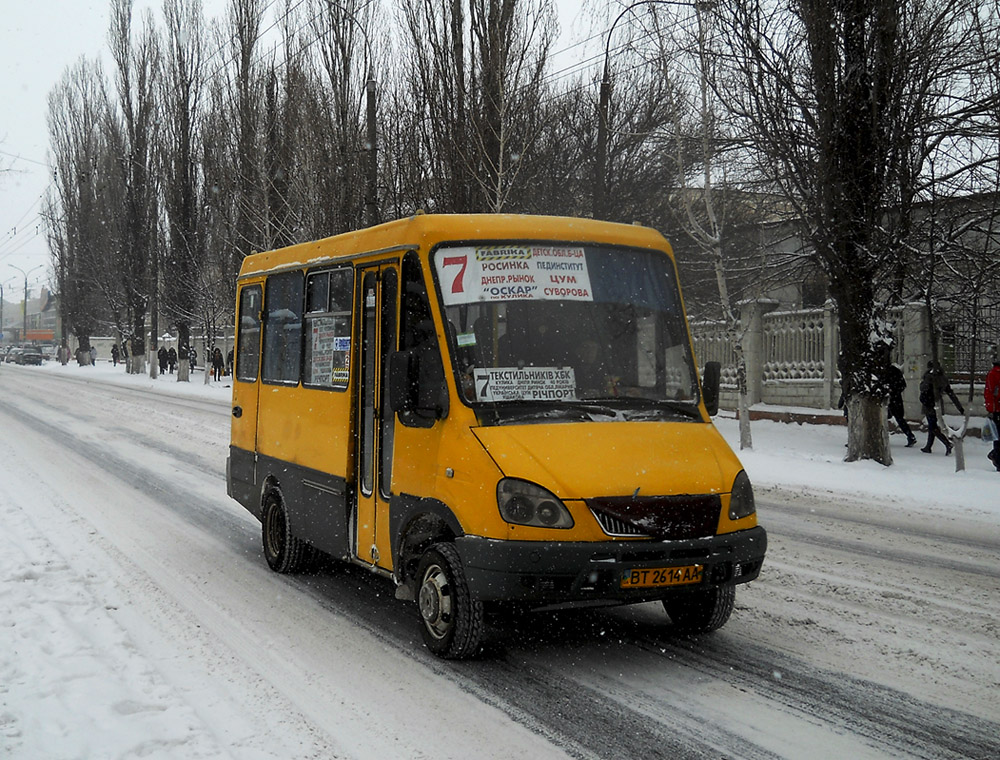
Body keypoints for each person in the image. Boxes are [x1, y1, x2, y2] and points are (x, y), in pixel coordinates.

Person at [918, 360, 964, 455]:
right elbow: (950, 393)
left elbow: (922, 388)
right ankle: (928, 446)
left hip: (929, 404)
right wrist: (959, 407)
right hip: (937, 404)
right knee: (932, 425)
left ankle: (947, 444)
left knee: (932, 426)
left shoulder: (929, 377)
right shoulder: (943, 378)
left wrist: (927, 381)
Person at [884, 359, 917, 447]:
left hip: (890, 398)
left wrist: (891, 391)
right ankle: (910, 436)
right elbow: (903, 385)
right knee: (898, 418)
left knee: (885, 417)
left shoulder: (886, 371)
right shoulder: (895, 371)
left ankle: (910, 436)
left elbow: (901, 385)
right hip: (895, 398)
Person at [984, 356, 1000, 472]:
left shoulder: (992, 374)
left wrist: (992, 410)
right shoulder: (994, 374)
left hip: (997, 409)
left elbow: (989, 392)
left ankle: (996, 456)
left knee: (997, 436)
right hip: (997, 409)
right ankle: (996, 457)